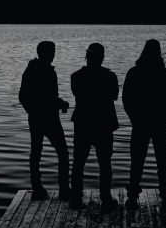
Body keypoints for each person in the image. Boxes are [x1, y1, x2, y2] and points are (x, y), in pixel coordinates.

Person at [122, 39, 166, 212]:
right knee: (163, 162)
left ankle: (132, 197)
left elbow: (127, 98)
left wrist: (134, 117)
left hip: (140, 123)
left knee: (137, 161)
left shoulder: (134, 72)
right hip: (161, 123)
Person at [70, 43, 119, 212]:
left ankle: (75, 198)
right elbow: (114, 96)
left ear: (87, 57)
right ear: (102, 57)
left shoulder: (76, 76)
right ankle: (105, 197)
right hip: (104, 123)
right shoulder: (110, 76)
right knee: (105, 163)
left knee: (78, 162)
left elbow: (78, 94)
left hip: (82, 123)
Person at [19, 41, 71, 201]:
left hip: (37, 117)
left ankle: (38, 188)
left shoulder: (32, 70)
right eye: (51, 51)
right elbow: (46, 97)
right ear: (44, 53)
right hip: (49, 119)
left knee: (36, 152)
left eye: (54, 51)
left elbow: (25, 96)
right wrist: (59, 104)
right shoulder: (44, 71)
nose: (54, 54)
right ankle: (63, 189)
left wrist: (32, 110)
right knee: (62, 152)